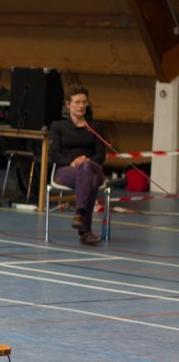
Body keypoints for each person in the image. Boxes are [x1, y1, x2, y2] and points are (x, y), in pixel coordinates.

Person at [49, 86, 106, 246]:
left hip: (92, 167)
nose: (81, 106)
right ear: (68, 105)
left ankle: (80, 213)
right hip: (67, 170)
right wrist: (72, 162)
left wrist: (86, 160)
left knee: (86, 168)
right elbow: (54, 153)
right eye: (77, 102)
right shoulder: (58, 126)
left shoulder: (95, 127)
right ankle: (85, 232)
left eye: (84, 102)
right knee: (91, 181)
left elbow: (101, 155)